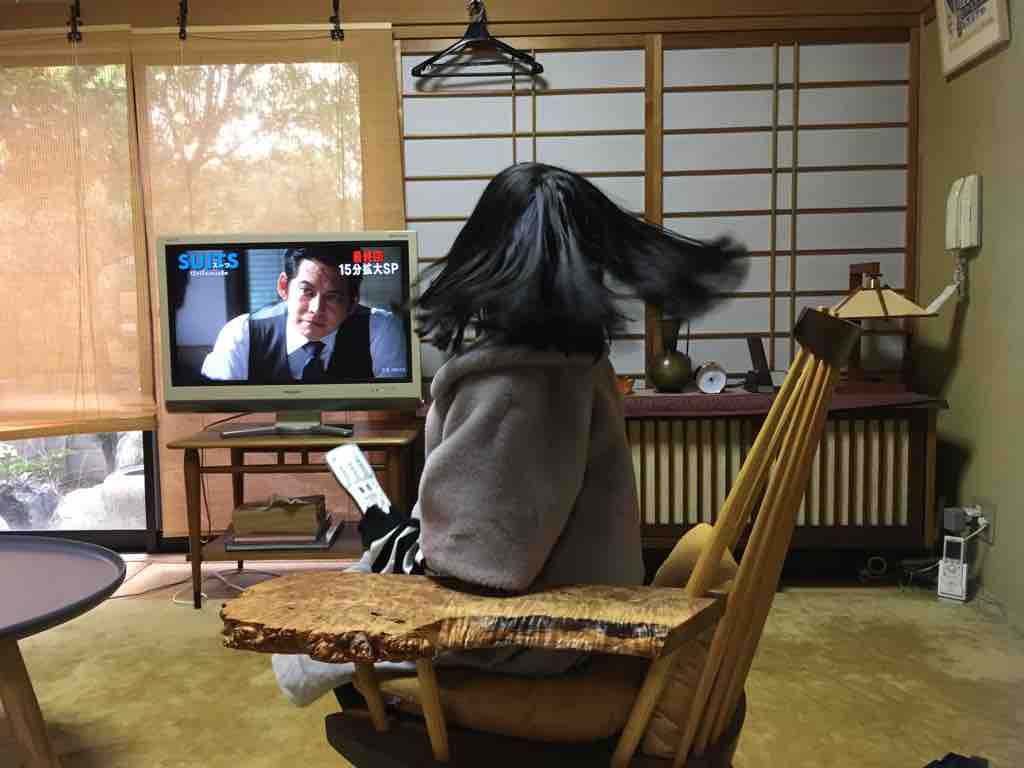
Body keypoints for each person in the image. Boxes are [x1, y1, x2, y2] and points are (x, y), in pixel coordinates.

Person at [272, 162, 747, 706]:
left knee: (317, 638)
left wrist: (394, 539)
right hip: (570, 612)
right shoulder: (570, 361)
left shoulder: (515, 384)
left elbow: (480, 570)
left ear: (485, 254)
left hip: (531, 636)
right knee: (348, 598)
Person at [200, 246, 408, 383]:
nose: (316, 308)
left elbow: (393, 409)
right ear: (284, 287)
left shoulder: (380, 329)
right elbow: (214, 409)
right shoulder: (242, 332)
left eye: (333, 297)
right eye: (307, 291)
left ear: (352, 302)